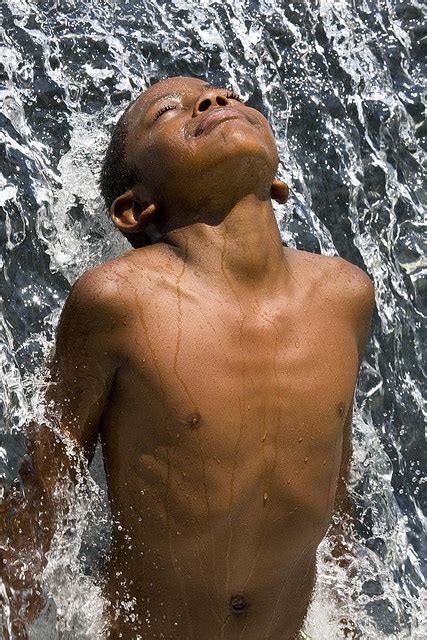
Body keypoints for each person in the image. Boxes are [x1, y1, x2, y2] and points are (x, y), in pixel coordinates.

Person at [2, 75, 375, 639]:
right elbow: (45, 495)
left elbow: (332, 492)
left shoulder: (344, 295)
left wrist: (346, 622)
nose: (214, 101)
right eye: (165, 113)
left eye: (227, 94)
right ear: (133, 209)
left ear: (277, 181)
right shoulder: (119, 302)